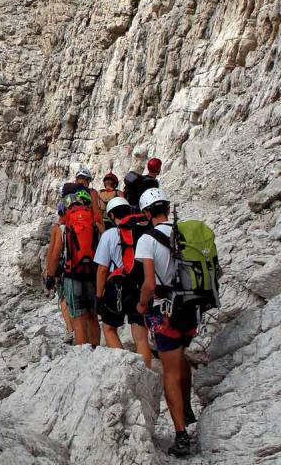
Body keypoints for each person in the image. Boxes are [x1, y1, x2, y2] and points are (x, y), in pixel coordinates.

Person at [135, 188, 198, 458]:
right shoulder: (184, 230)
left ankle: (181, 434)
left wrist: (140, 305)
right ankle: (186, 408)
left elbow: (149, 284)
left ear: (147, 213)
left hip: (166, 312)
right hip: (192, 307)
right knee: (181, 356)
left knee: (169, 372)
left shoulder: (147, 239)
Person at [93, 197, 153, 367]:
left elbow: (102, 269)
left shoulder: (109, 235)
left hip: (116, 288)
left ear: (111, 215)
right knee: (141, 338)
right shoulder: (142, 233)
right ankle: (145, 373)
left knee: (110, 329)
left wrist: (99, 297)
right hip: (139, 287)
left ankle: (124, 369)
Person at [45, 181, 101, 346]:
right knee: (92, 316)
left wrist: (50, 276)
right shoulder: (93, 222)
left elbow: (55, 255)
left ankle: (83, 355)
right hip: (92, 274)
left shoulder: (62, 227)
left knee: (78, 318)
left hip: (71, 276)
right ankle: (97, 350)